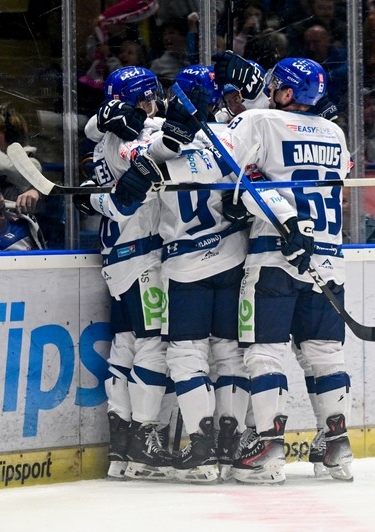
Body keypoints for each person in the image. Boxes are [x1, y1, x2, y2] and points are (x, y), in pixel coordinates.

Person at [218, 57, 354, 484]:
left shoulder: (259, 120)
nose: (270, 90)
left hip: (275, 255)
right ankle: (336, 445)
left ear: (288, 92)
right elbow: (340, 175)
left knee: (263, 351)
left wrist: (227, 112)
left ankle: (268, 447)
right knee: (324, 353)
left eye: (275, 85)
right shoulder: (335, 132)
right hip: (328, 257)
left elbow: (223, 161)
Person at [74, 65, 198, 480]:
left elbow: (99, 133)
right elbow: (155, 151)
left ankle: (122, 451)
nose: (157, 103)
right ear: (141, 99)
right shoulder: (128, 138)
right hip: (143, 254)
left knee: (125, 347)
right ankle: (144, 441)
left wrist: (109, 117)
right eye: (151, 97)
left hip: (117, 256)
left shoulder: (103, 141)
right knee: (153, 346)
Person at [153, 65, 251, 483]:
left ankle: (201, 444)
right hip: (231, 256)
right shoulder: (230, 136)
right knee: (230, 353)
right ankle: (230, 443)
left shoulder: (157, 140)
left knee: (187, 356)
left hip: (185, 264)